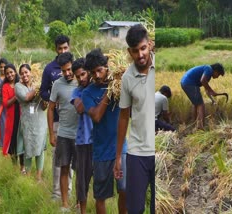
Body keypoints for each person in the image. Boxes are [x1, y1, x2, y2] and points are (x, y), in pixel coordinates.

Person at [114, 24, 155, 214]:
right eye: (135, 51)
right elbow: (123, 117)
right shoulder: (127, 78)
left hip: (160, 150)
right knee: (135, 208)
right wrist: (118, 158)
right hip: (137, 153)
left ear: (150, 45)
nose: (140, 55)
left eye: (143, 48)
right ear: (129, 52)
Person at [82, 48, 127, 214]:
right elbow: (96, 116)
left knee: (124, 189)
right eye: (93, 73)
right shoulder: (87, 93)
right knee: (101, 195)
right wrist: (109, 91)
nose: (98, 76)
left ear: (107, 67)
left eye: (100, 70)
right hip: (101, 152)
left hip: (120, 148)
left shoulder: (119, 86)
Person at [39, 35, 73, 200]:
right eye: (59, 48)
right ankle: (56, 193)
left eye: (65, 48)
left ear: (69, 47)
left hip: (74, 121)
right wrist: (54, 95)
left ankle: (69, 192)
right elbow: (43, 91)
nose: (62, 51)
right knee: (58, 159)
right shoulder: (49, 69)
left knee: (72, 161)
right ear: (55, 49)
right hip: (58, 121)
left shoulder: (75, 66)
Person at [47, 52, 78, 211]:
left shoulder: (82, 80)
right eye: (63, 70)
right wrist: (52, 133)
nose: (67, 73)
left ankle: (80, 203)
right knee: (63, 168)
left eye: (69, 69)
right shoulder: (57, 85)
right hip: (64, 134)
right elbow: (51, 109)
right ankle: (65, 204)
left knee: (81, 171)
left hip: (81, 135)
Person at [15, 64, 47, 180]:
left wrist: (45, 99)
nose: (24, 75)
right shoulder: (18, 86)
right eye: (22, 73)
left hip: (40, 122)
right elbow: (26, 97)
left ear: (31, 72)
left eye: (26, 72)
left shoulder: (36, 84)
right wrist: (39, 88)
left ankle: (38, 177)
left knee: (39, 149)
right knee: (28, 148)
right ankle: (28, 176)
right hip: (27, 123)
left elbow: (43, 107)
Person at [70, 58, 93, 214]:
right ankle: (82, 211)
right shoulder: (77, 91)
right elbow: (79, 108)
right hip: (83, 141)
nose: (82, 78)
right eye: (78, 76)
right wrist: (92, 93)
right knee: (82, 180)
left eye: (84, 74)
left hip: (100, 140)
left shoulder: (100, 87)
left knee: (99, 179)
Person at [180, 63, 225, 130]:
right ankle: (201, 127)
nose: (217, 77)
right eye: (218, 74)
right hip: (190, 83)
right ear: (216, 71)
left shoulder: (208, 73)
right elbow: (203, 80)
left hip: (185, 82)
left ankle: (194, 123)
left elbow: (206, 88)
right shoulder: (209, 69)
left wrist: (212, 99)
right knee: (201, 105)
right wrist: (212, 91)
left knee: (195, 104)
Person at [2, 63, 25, 172]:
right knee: (13, 142)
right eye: (7, 73)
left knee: (22, 140)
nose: (9, 75)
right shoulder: (5, 87)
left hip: (22, 117)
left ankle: (23, 167)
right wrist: (16, 96)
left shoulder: (20, 83)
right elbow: (6, 103)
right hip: (12, 119)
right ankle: (15, 167)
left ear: (15, 72)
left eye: (11, 72)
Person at [0, 58, 9, 147]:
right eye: (1, 67)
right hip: (1, 105)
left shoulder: (9, 76)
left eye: (4, 67)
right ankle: (2, 145)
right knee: (2, 124)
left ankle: (9, 145)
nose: (2, 69)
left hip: (10, 104)